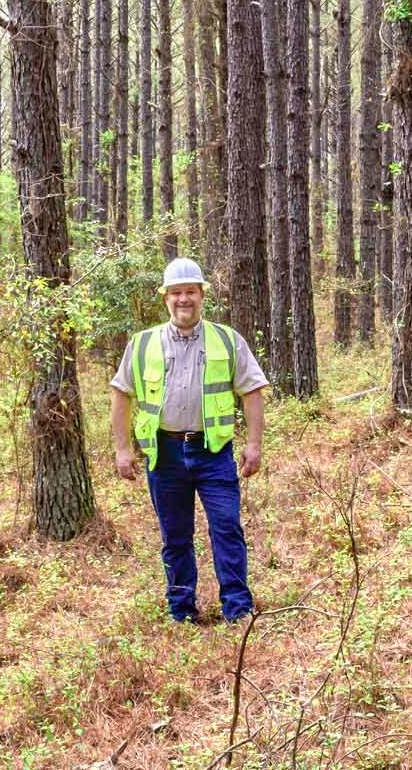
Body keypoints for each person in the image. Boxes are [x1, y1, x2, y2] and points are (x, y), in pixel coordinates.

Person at [110, 257, 269, 624]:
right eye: (177, 293)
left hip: (213, 452)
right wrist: (122, 449)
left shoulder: (227, 340)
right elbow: (121, 394)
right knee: (176, 536)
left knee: (227, 528)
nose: (185, 299)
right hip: (163, 455)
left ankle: (237, 609)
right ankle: (181, 611)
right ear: (165, 297)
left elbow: (252, 390)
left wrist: (254, 444)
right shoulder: (142, 343)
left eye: (191, 292)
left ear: (202, 296)